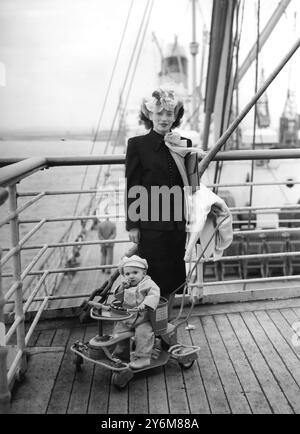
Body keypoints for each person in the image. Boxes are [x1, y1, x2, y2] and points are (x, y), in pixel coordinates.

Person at [125, 87, 202, 310]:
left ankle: (165, 328)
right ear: (149, 115)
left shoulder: (184, 143)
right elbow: (133, 185)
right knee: (151, 278)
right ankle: (149, 331)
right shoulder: (137, 145)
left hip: (178, 222)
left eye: (169, 114)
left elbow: (193, 183)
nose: (164, 119)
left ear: (175, 117)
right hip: (151, 223)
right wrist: (133, 225)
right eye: (159, 113)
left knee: (172, 278)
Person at [112, 255, 160, 369]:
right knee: (118, 332)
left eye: (135, 272)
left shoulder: (148, 283)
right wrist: (122, 288)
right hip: (128, 317)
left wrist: (145, 304)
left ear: (143, 273)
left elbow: (154, 294)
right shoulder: (127, 285)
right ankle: (120, 355)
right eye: (127, 274)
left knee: (144, 333)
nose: (131, 276)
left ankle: (143, 358)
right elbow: (119, 298)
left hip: (143, 318)